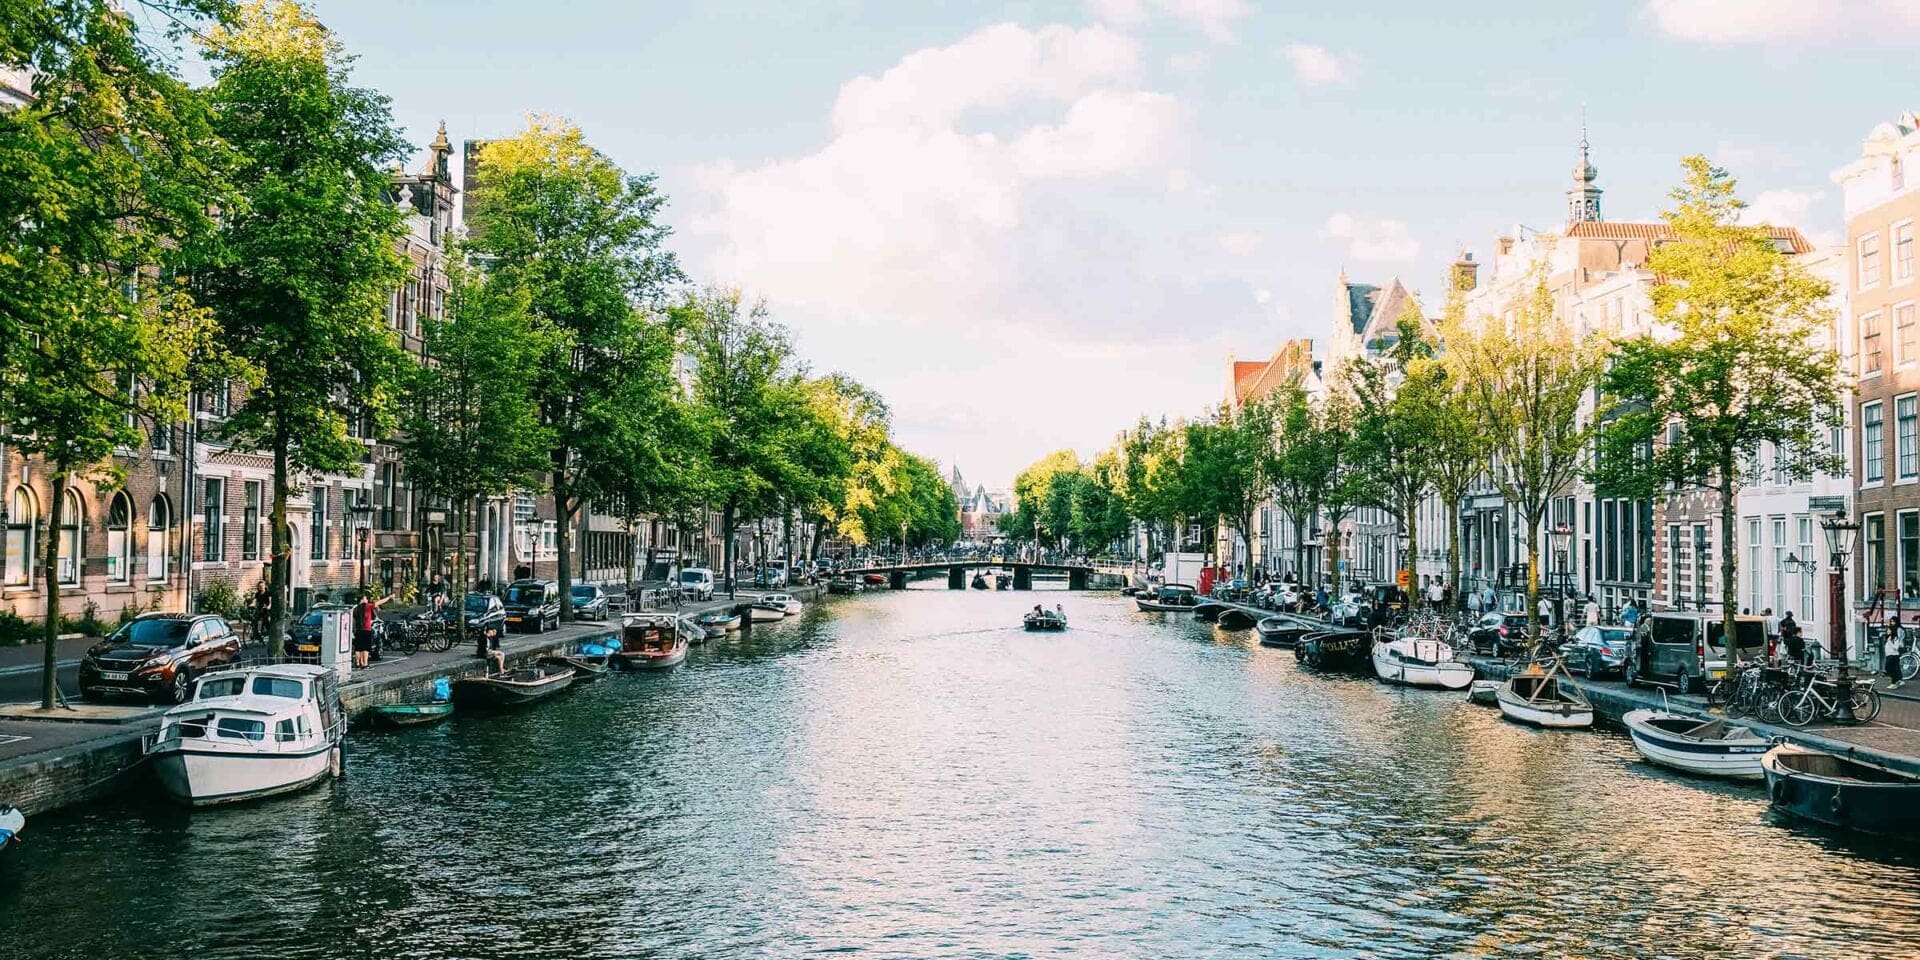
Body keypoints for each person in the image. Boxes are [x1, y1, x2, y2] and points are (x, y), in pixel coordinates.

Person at [351, 591, 381, 670]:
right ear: (362, 599)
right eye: (366, 598)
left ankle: (358, 664)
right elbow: (378, 603)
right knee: (365, 648)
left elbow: (353, 619)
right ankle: (365, 664)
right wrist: (389, 597)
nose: (367, 599)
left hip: (358, 630)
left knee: (358, 648)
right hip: (366, 630)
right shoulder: (367, 606)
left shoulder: (355, 608)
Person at [1886, 616, 1907, 689]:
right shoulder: (1895, 630)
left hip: (1897, 649)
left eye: (1893, 622)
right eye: (1891, 622)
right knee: (1896, 666)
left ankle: (1896, 681)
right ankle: (1899, 680)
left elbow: (1897, 641)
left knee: (1893, 666)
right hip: (1894, 650)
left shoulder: (1898, 630)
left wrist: (1891, 641)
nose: (1892, 623)